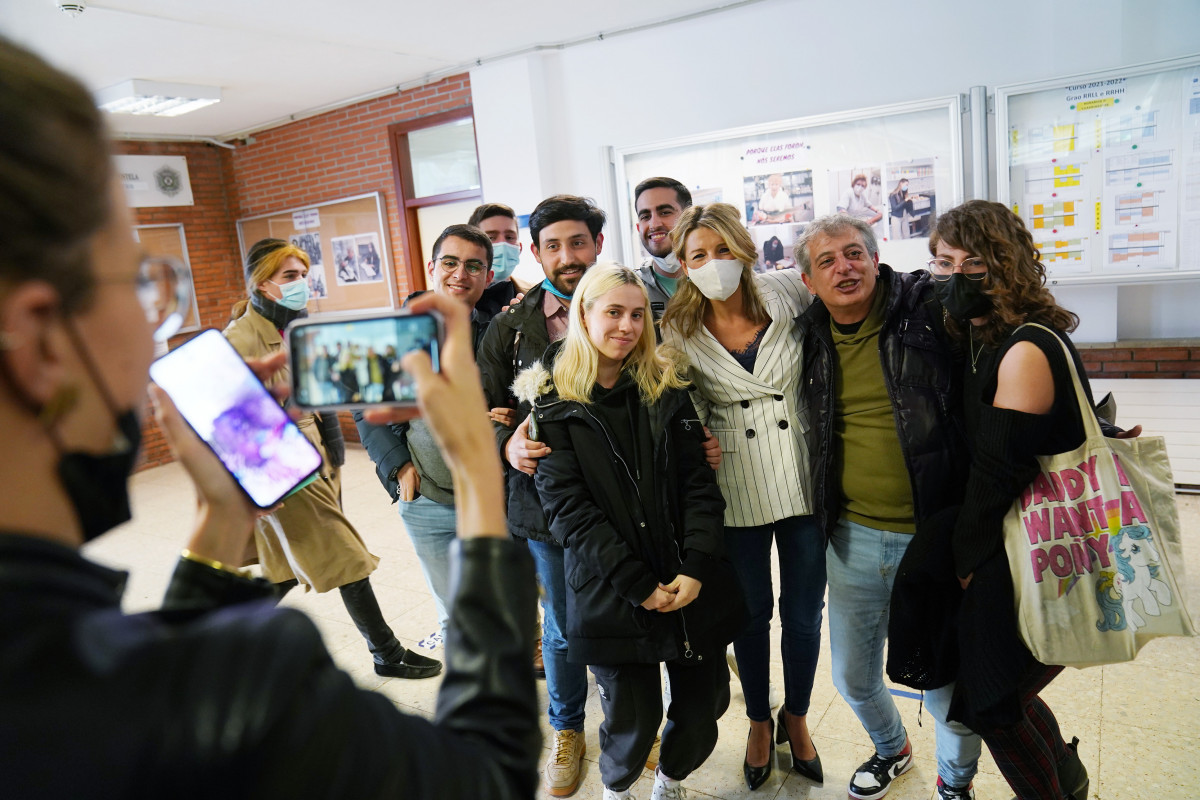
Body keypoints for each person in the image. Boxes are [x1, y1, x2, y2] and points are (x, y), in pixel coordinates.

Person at [0, 36, 539, 797]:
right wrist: (481, 479)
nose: (153, 325)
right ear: (39, 341)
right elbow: (489, 775)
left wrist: (220, 523)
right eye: (139, 283)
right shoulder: (255, 687)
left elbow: (144, 693)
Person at [526, 264, 745, 800]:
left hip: (685, 577)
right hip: (611, 587)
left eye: (638, 314)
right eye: (613, 312)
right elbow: (569, 511)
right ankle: (618, 788)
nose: (627, 326)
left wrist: (696, 566)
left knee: (704, 704)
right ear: (583, 315)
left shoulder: (667, 386)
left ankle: (670, 779)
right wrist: (635, 583)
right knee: (632, 717)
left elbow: (698, 483)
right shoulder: (552, 401)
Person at [795, 213, 982, 800]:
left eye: (854, 254)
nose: (843, 268)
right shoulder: (807, 335)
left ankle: (955, 784)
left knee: (948, 687)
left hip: (937, 537)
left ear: (876, 260)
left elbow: (1005, 342)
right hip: (851, 538)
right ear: (808, 281)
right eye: (826, 261)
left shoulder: (929, 309)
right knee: (852, 675)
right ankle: (892, 747)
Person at [917, 200, 1099, 799]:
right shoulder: (980, 335)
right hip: (1014, 539)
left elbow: (998, 471)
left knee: (993, 701)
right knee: (1001, 697)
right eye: (945, 263)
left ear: (1007, 264)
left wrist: (967, 559)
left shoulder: (1023, 348)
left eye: (974, 264)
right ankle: (1067, 779)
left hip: (1037, 544)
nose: (956, 276)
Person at [660, 203, 824, 792]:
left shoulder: (786, 292)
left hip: (802, 472)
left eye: (723, 249)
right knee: (751, 615)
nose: (713, 263)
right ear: (683, 265)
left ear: (745, 249)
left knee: (803, 615)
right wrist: (701, 435)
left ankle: (796, 716)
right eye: (698, 255)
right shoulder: (677, 328)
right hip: (735, 479)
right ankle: (759, 720)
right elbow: (686, 402)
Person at [226, 238, 441, 680]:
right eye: (290, 276)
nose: (301, 284)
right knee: (346, 557)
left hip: (317, 458)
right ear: (263, 283)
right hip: (282, 466)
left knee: (285, 569)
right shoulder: (240, 339)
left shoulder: (298, 328)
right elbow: (232, 424)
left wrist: (337, 451)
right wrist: (255, 484)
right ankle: (386, 652)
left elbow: (327, 392)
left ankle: (226, 644)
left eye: (303, 275)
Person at [476, 193, 606, 797]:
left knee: (621, 611)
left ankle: (630, 721)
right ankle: (567, 728)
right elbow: (483, 410)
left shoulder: (629, 305)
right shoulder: (508, 327)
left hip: (621, 498)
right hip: (544, 503)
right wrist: (505, 443)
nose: (567, 256)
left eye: (578, 242)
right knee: (560, 624)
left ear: (598, 244)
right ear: (536, 252)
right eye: (552, 246)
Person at [354, 223, 495, 638]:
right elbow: (366, 407)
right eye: (450, 262)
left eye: (473, 266)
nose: (460, 274)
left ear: (488, 276)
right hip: (428, 499)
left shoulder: (500, 331)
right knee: (455, 613)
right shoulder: (394, 334)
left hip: (492, 498)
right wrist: (398, 467)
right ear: (432, 267)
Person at [633, 176, 693, 319]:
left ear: (689, 218)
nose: (654, 225)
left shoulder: (713, 278)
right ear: (638, 228)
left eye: (665, 212)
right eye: (645, 216)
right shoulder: (632, 288)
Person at [470, 202, 530, 318]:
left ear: (520, 248)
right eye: (491, 238)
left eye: (509, 237)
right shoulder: (449, 302)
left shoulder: (537, 297)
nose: (502, 245)